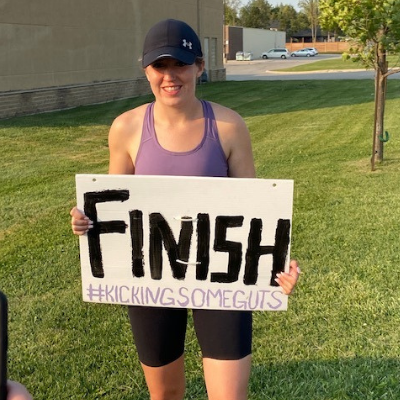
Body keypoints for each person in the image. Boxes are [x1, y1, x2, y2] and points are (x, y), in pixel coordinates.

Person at [70, 19, 300, 400]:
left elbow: (255, 212)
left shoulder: (228, 127)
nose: (170, 76)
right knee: (165, 396)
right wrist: (85, 221)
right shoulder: (125, 128)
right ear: (146, 70)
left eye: (179, 64)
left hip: (219, 279)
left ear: (199, 66)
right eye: (160, 66)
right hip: (152, 279)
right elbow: (114, 206)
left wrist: (276, 265)